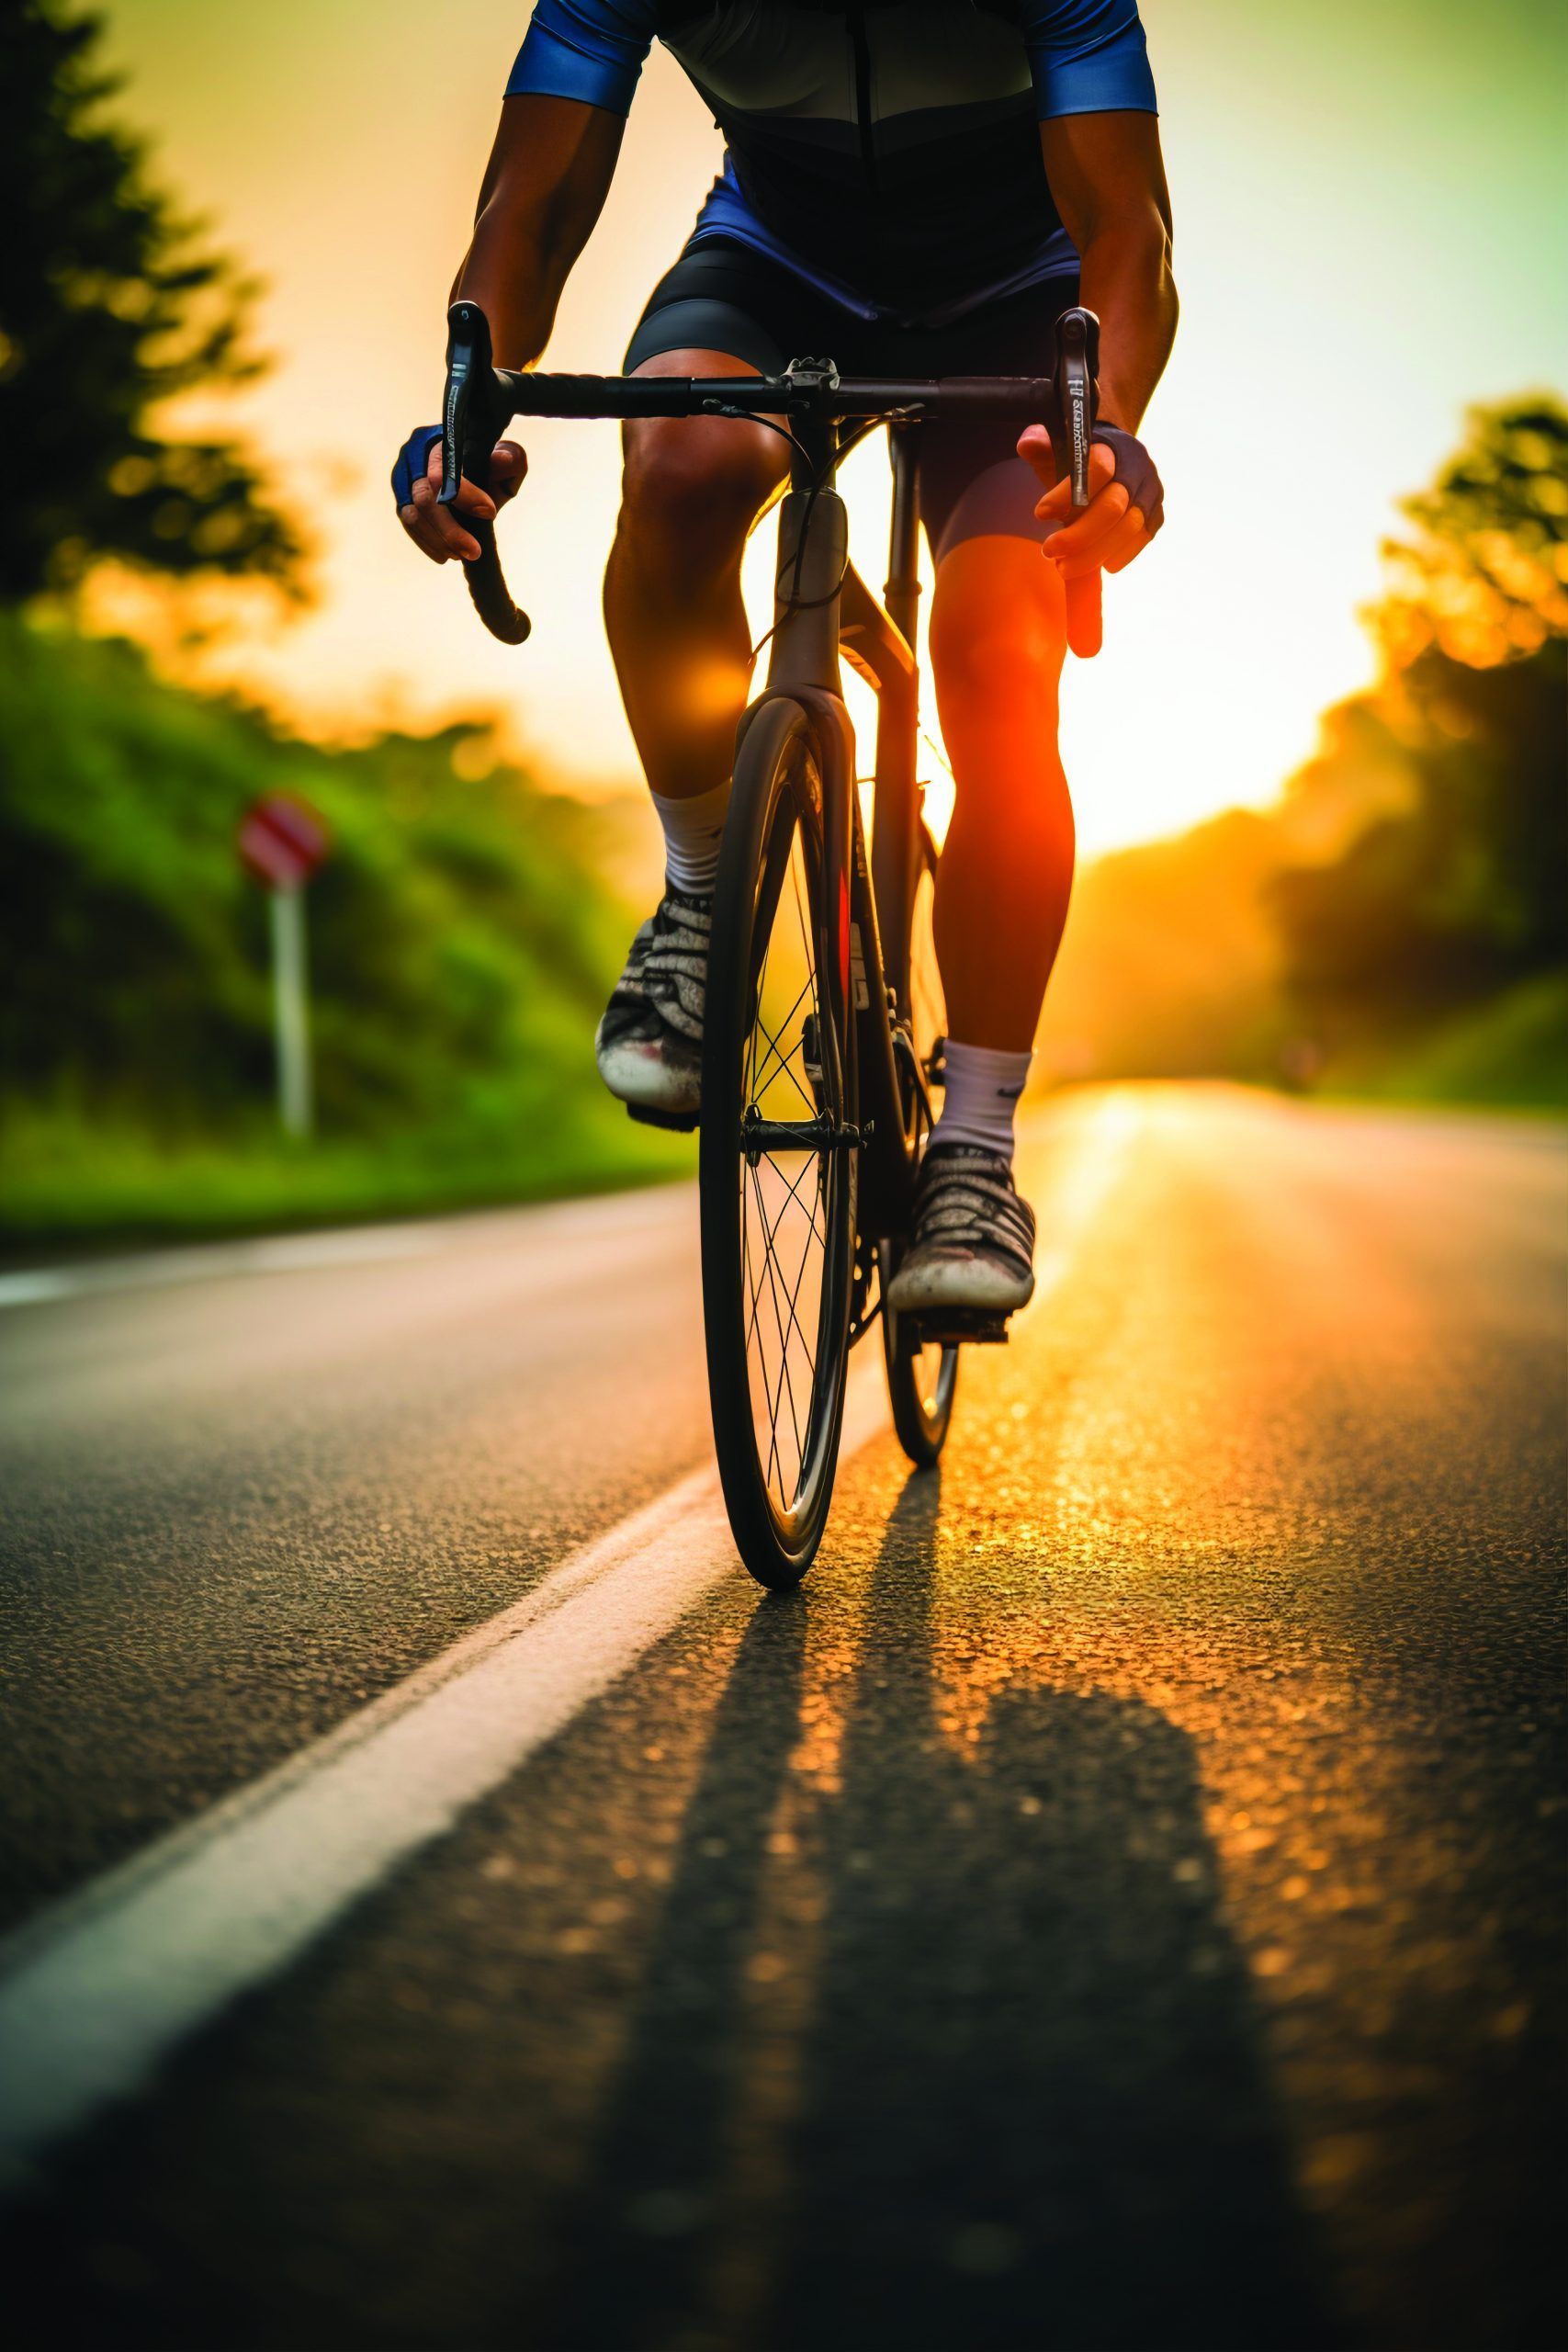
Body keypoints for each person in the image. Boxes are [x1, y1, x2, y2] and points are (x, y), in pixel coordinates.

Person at [396, 1, 1176, 1319]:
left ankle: (975, 1147)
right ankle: (706, 907)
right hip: (774, 268)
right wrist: (468, 406)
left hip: (1016, 303)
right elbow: (526, 211)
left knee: (998, 650)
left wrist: (1105, 433)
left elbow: (1127, 233)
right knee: (683, 463)